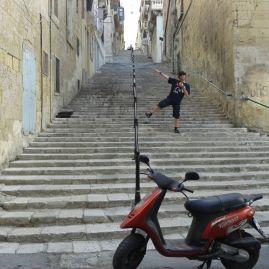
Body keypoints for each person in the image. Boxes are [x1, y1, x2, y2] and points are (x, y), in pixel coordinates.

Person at [145, 69, 190, 133]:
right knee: (160, 104)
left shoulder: (187, 85)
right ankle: (150, 113)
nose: (183, 77)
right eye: (181, 76)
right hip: (170, 98)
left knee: (177, 115)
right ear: (179, 77)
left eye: (184, 75)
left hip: (177, 102)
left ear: (185, 76)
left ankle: (176, 128)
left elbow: (187, 94)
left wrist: (183, 87)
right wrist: (160, 72)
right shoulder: (175, 81)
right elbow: (167, 77)